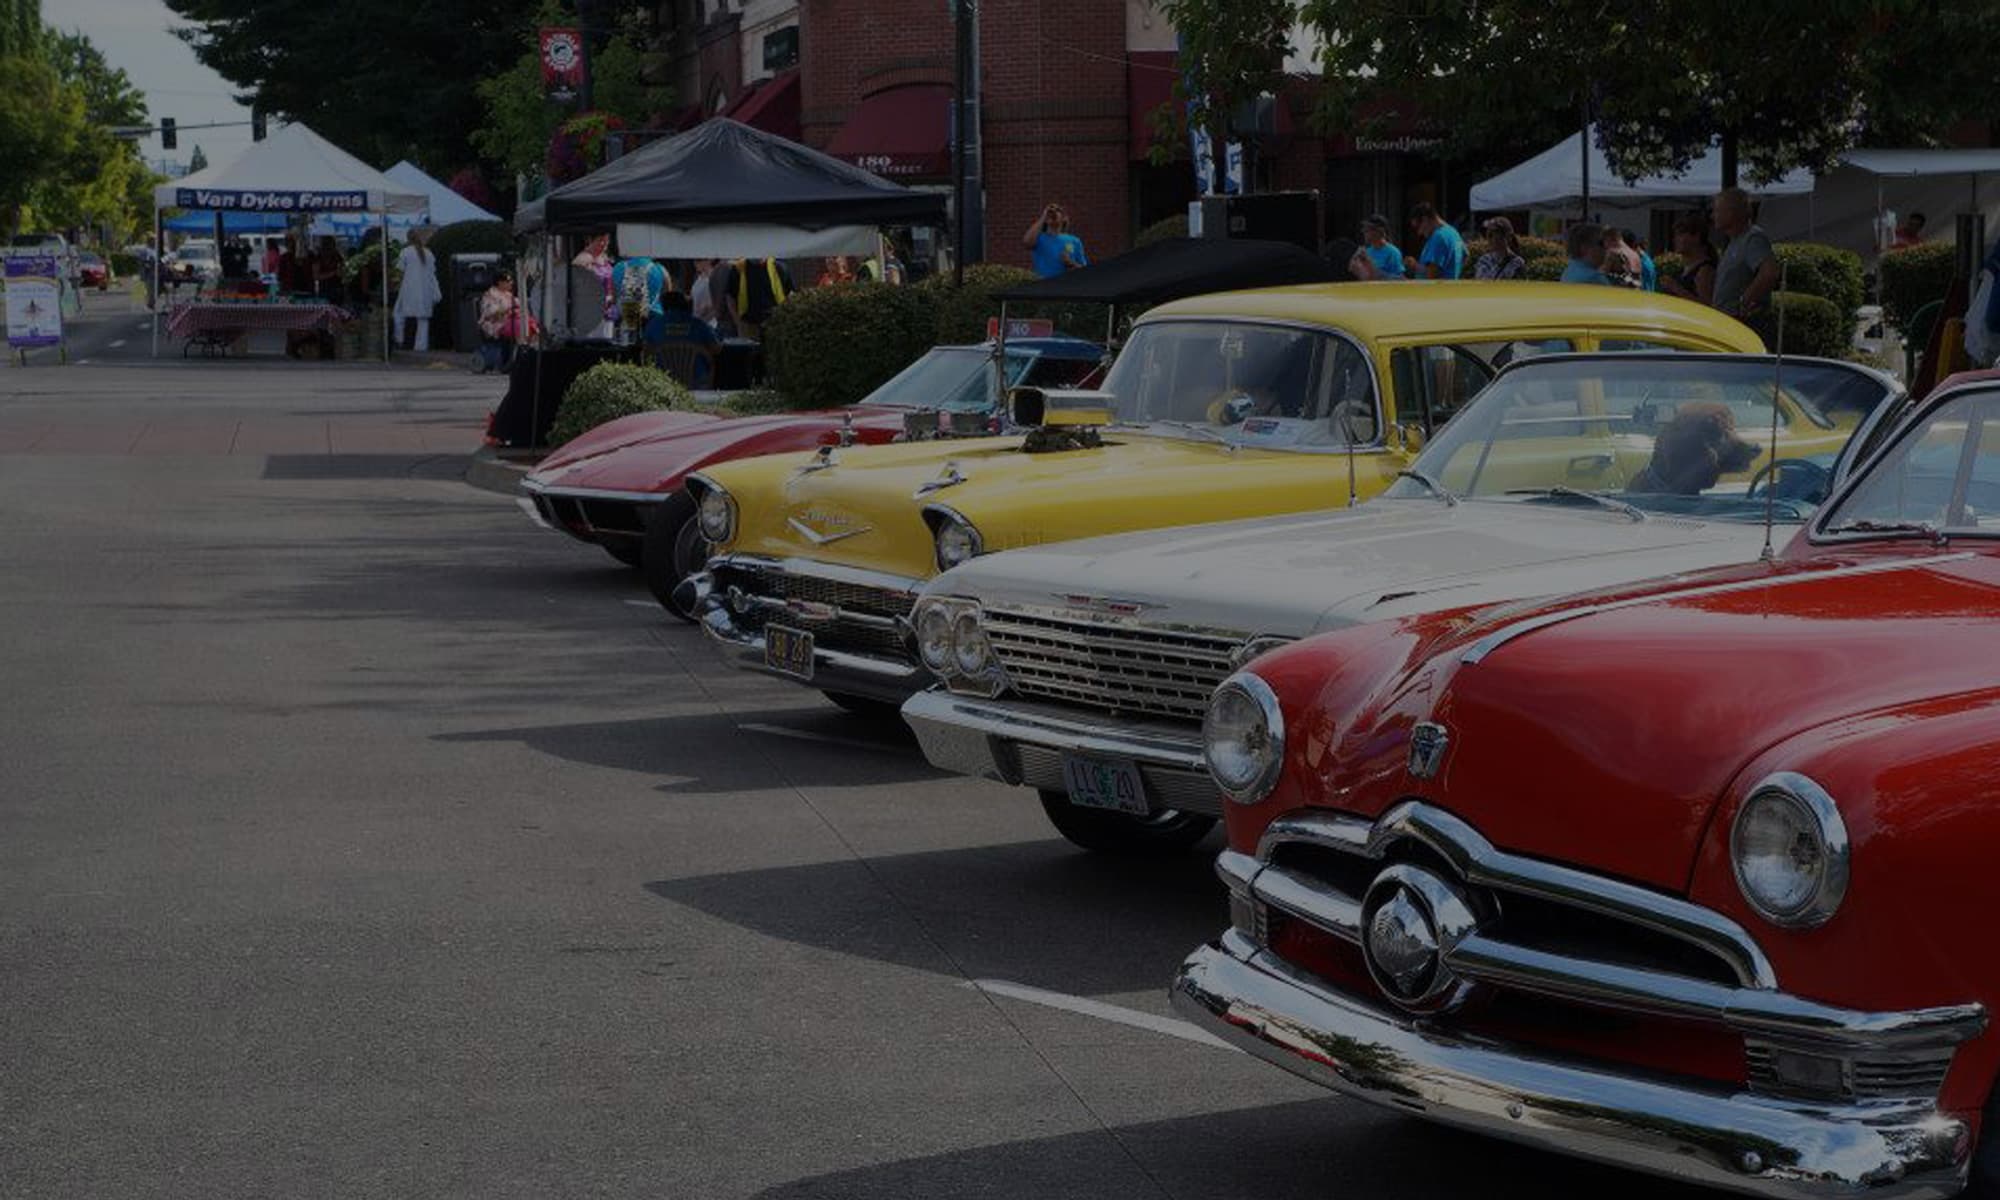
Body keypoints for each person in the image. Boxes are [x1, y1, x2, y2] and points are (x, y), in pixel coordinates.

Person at [1712, 186, 1779, 318]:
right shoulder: (1734, 242)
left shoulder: (1753, 238)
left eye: (1717, 210)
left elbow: (1769, 273)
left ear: (1731, 212)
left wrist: (1744, 301)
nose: (1712, 215)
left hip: (1746, 323)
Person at [712, 257, 794, 339]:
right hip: (748, 325)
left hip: (776, 324)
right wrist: (739, 323)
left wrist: (786, 320)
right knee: (750, 351)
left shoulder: (779, 268)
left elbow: (790, 294)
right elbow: (730, 298)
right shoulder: (738, 269)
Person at [393, 229, 442, 351]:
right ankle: (421, 346)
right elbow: (433, 272)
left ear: (408, 239)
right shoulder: (429, 253)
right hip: (426, 290)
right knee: (423, 319)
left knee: (398, 314)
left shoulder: (405, 252)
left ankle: (400, 340)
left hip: (408, 289)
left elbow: (399, 271)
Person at [1660, 213, 1720, 306]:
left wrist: (1676, 288)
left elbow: (1706, 307)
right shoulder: (1687, 267)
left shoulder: (1704, 270)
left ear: (1696, 237)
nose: (1675, 240)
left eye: (1680, 235)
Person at [475, 270, 523, 374]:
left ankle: (517, 361)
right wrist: (507, 310)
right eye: (508, 281)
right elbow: (490, 312)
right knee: (510, 332)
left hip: (509, 322)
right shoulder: (490, 295)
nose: (511, 283)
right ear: (500, 282)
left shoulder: (509, 295)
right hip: (493, 323)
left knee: (522, 328)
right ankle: (506, 363)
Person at [1023, 203, 1087, 278]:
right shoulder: (1038, 238)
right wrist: (1044, 216)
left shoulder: (1074, 241)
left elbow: (1085, 272)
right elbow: (1027, 242)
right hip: (1043, 286)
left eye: (1057, 210)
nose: (1053, 212)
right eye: (1051, 211)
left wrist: (1071, 263)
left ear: (1063, 219)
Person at [1406, 202, 1467, 280]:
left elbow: (1432, 277)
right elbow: (1464, 257)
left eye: (1417, 227)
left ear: (1425, 219)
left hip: (1436, 291)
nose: (1419, 233)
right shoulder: (1454, 233)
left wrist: (1415, 267)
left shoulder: (1438, 237)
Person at [573, 233, 615, 338]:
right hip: (590, 313)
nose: (604, 243)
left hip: (607, 313)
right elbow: (574, 272)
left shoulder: (605, 257)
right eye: (601, 239)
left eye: (607, 240)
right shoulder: (585, 257)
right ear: (589, 240)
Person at [1349, 215, 1407, 281]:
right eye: (1364, 229)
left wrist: (1371, 266)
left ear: (1379, 231)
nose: (1363, 231)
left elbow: (1400, 279)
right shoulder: (1367, 251)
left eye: (1367, 229)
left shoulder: (1393, 252)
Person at [689, 259, 717, 326]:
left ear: (709, 260)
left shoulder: (714, 277)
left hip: (710, 324)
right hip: (696, 322)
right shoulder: (699, 277)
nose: (695, 263)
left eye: (699, 260)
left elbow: (716, 306)